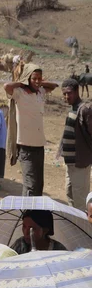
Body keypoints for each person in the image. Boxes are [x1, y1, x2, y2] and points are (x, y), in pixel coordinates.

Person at [5, 64, 58, 196]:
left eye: (39, 78)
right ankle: (27, 213)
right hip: (25, 147)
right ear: (27, 78)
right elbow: (7, 86)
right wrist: (24, 83)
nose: (37, 81)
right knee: (30, 185)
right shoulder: (19, 93)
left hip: (39, 145)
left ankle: (36, 214)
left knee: (39, 184)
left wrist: (39, 83)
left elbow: (54, 86)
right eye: (34, 78)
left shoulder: (40, 92)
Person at [60, 78, 92, 210]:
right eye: (64, 94)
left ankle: (85, 228)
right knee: (70, 196)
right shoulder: (73, 108)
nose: (67, 96)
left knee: (81, 201)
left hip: (80, 163)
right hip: (70, 163)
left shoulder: (85, 109)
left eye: (69, 93)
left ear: (77, 91)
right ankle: (75, 227)